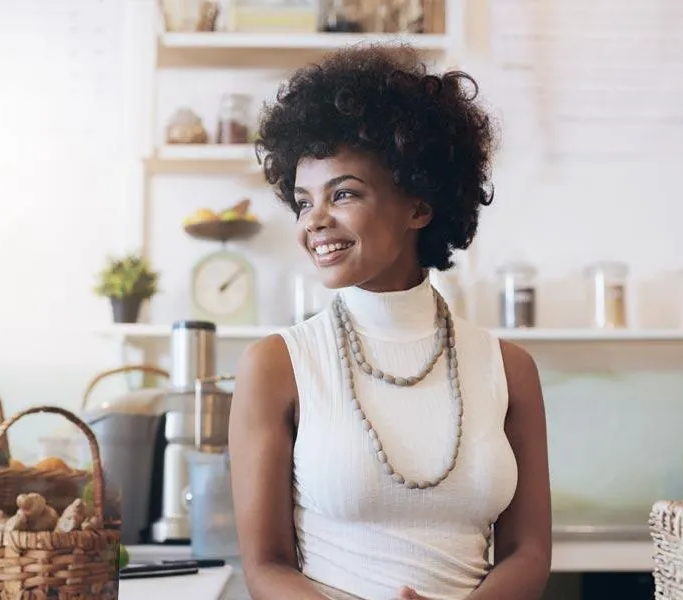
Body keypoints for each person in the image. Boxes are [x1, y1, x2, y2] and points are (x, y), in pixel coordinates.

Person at [230, 44, 552, 600]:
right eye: (304, 202)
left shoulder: (509, 369)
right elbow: (265, 566)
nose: (316, 222)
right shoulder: (278, 365)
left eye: (345, 193)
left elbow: (529, 553)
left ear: (419, 208)